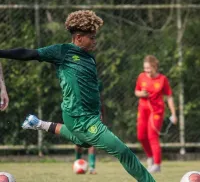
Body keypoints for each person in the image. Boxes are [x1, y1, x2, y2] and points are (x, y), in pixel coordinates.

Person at [0, 10, 155, 182]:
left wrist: (98, 111)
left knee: (85, 143)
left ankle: (39, 124)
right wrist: (1, 52)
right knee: (123, 152)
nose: (95, 41)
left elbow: (92, 88)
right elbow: (28, 53)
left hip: (90, 116)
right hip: (78, 117)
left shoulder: (90, 59)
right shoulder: (62, 51)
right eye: (92, 37)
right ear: (79, 38)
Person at [134, 55, 178, 173]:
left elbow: (169, 97)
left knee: (152, 136)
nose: (146, 71)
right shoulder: (141, 77)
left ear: (155, 67)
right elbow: (136, 92)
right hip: (143, 110)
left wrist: (173, 114)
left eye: (149, 68)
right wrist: (141, 94)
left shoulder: (162, 79)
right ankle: (150, 157)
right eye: (145, 68)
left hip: (156, 111)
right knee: (141, 136)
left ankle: (157, 165)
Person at [74, 79, 105, 174]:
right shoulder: (78, 82)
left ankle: (92, 167)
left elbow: (101, 100)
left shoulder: (97, 83)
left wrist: (101, 114)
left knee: (92, 141)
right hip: (80, 116)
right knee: (78, 142)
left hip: (93, 116)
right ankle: (77, 162)